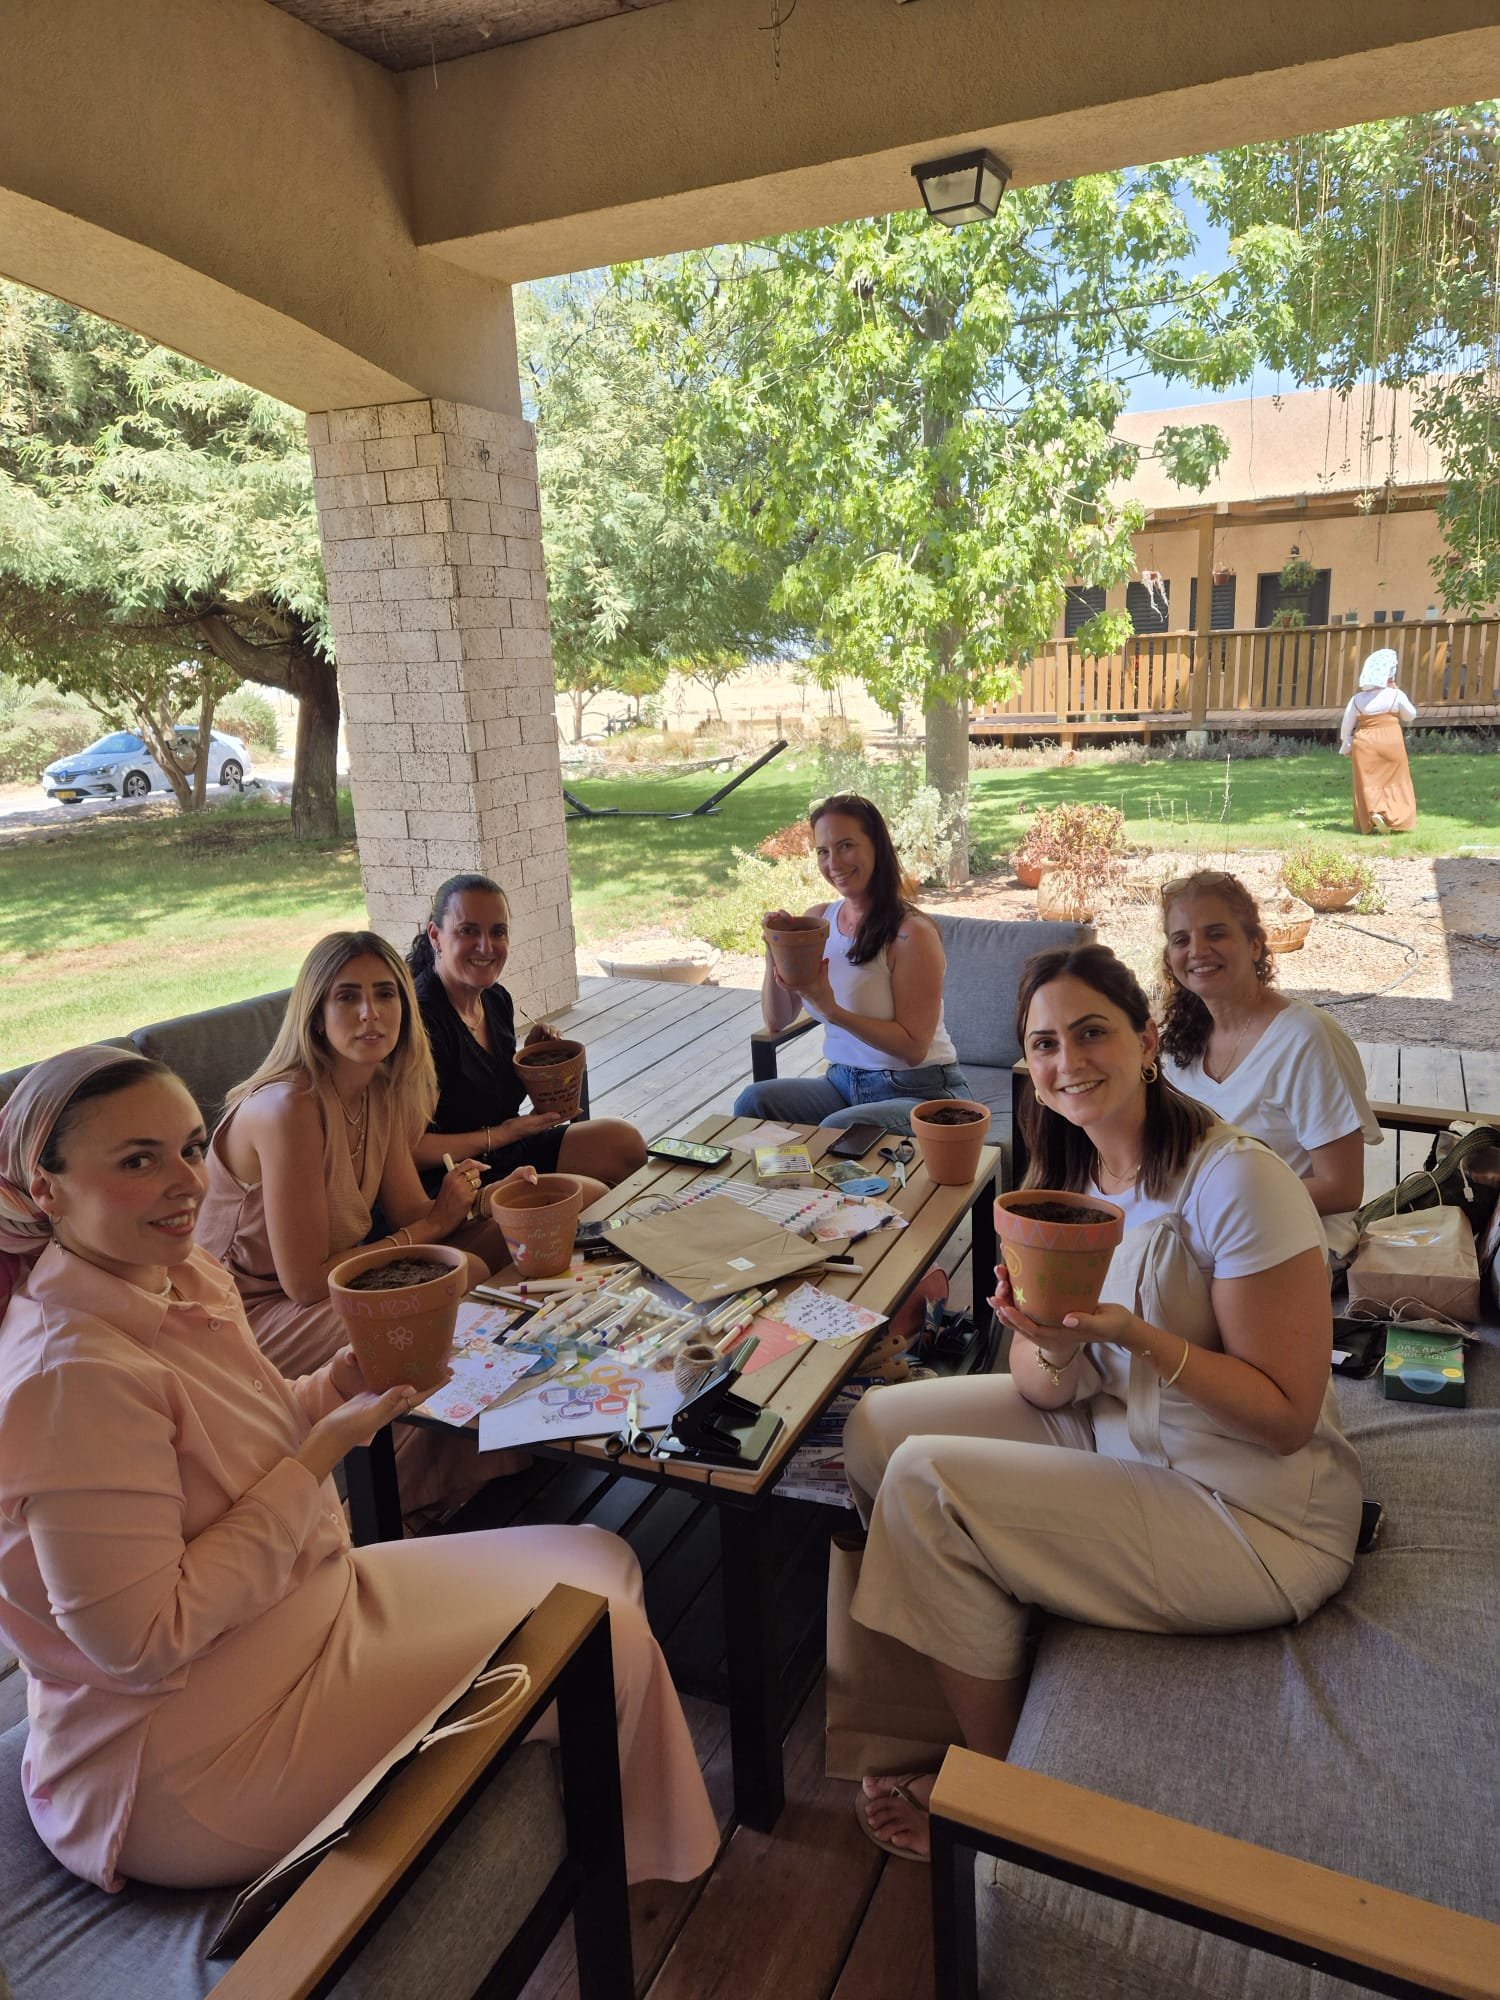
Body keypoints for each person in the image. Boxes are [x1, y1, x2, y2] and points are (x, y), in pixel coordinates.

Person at [0, 1046, 719, 1894]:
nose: (186, 1182)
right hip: (187, 1755)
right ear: (46, 1190)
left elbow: (244, 1438)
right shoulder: (69, 1377)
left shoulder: (177, 1274)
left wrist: (337, 1385)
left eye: (191, 1148)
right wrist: (318, 1454)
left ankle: (593, 1819)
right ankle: (630, 1879)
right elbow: (142, 1643)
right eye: (137, 1161)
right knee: (605, 1639)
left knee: (600, 1556)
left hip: (303, 1611)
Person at [843, 943, 1362, 1860]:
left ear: (1148, 1041)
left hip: (1249, 1509)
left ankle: (1007, 1808)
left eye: (1091, 1034)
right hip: (1117, 1435)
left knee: (926, 1483)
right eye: (1044, 1044)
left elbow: (1287, 1418)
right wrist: (1049, 1337)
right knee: (877, 1427)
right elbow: (1045, 1384)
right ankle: (966, 1648)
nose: (1068, 1062)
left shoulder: (1237, 1181)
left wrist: (1140, 1337)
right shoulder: (1073, 1181)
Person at [196, 931, 511, 1523]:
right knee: (442, 1309)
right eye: (347, 997)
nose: (370, 1013)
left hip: (328, 1285)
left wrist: (480, 1201)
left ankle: (485, 1451)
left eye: (385, 994)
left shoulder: (377, 1087)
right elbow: (305, 1284)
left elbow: (416, 1214)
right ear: (315, 1015)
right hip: (244, 1316)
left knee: (492, 1251)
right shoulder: (288, 1108)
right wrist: (434, 1226)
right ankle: (376, 1511)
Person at [1159, 869, 1380, 1260]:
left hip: (1295, 1243)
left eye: (1215, 934)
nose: (1197, 950)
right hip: (1198, 1238)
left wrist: (1215, 1208)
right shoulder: (1179, 1039)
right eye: (1181, 939)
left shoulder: (1305, 1037)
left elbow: (1342, 1187)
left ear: (1255, 945)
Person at [731, 794, 971, 1134]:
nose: (834, 863)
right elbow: (776, 1020)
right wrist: (774, 945)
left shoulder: (910, 934)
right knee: (753, 1102)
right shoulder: (818, 921)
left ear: (877, 847)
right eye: (823, 851)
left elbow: (914, 1049)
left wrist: (832, 1010)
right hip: (842, 1083)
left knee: (839, 1130)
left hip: (919, 1091)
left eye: (846, 846)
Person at [408, 873, 645, 1200]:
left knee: (622, 1142)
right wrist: (503, 1134)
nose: (486, 946)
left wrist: (531, 1063)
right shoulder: (421, 1023)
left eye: (498, 932)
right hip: (454, 1182)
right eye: (468, 931)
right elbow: (410, 1150)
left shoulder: (495, 999)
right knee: (588, 1195)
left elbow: (482, 1091)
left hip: (507, 1155)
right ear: (436, 936)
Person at [1340, 647, 1417, 834]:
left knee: (1368, 782)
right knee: (1395, 778)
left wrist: (1347, 741)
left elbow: (1346, 727)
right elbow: (1410, 715)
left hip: (1365, 743)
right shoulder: (1395, 695)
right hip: (1391, 740)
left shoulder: (1357, 699)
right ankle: (1394, 815)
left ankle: (1374, 812)